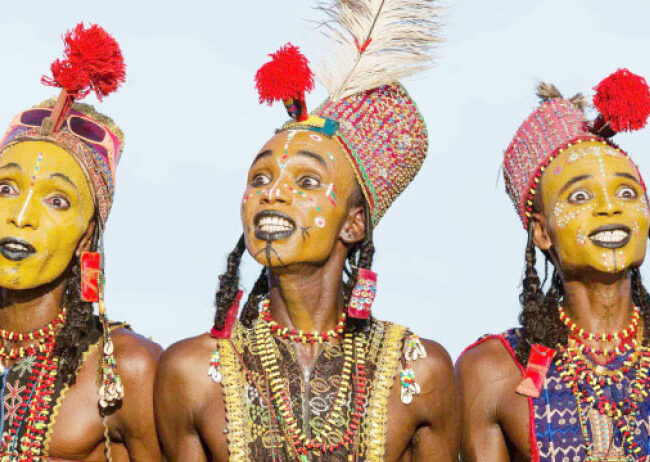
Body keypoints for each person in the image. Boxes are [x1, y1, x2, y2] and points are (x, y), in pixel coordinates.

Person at [155, 1, 458, 460]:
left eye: (307, 181)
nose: (272, 194)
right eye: (260, 178)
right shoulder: (191, 371)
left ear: (354, 224)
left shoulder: (419, 370)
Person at [457, 70, 650, 461]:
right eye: (580, 196)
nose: (610, 208)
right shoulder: (493, 371)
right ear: (542, 233)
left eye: (627, 192)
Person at [0, 23, 161, 460]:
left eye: (56, 200)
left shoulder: (127, 367)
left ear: (86, 233)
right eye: (6, 189)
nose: (21, 215)